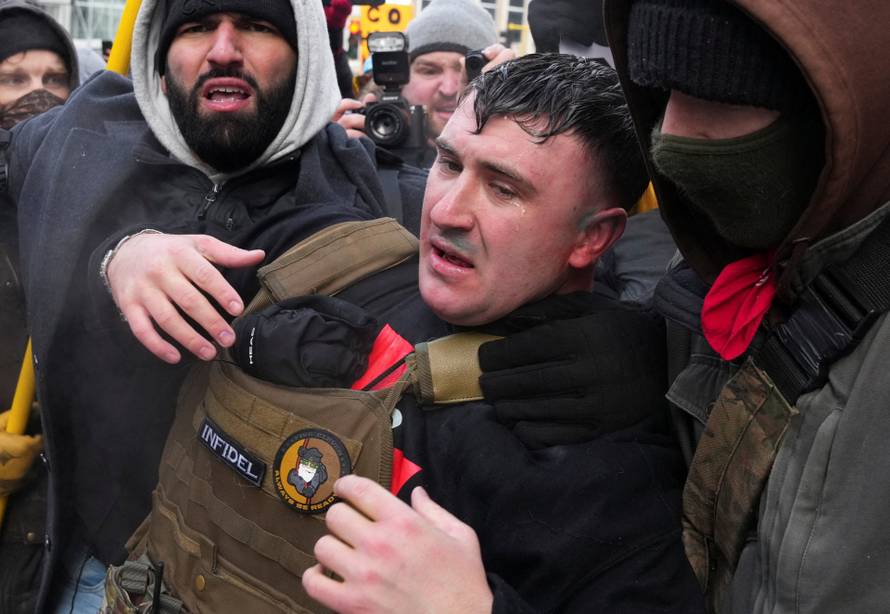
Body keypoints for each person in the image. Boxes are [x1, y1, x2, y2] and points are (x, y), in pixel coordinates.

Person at [0, 0, 410, 611]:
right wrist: (119, 255)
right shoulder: (77, 138)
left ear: (305, 60)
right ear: (159, 61)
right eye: (195, 27)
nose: (223, 48)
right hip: (76, 562)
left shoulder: (371, 195)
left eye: (257, 25)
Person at [488, 0, 890, 612]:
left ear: (840, 109)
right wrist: (672, 369)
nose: (671, 136)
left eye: (718, 98)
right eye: (659, 93)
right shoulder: (726, 260)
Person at [289, 54, 703, 613]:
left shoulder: (610, 479)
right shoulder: (365, 273)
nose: (447, 211)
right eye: (451, 164)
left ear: (593, 237)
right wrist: (133, 252)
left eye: (504, 189)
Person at [0, 2, 79, 612]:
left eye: (56, 80)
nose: (38, 95)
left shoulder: (92, 205)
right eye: (13, 78)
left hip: (64, 537)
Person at [334, 0, 500, 167]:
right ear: (401, 79)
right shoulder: (365, 152)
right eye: (429, 71)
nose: (448, 89)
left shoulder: (517, 148)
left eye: (465, 71)